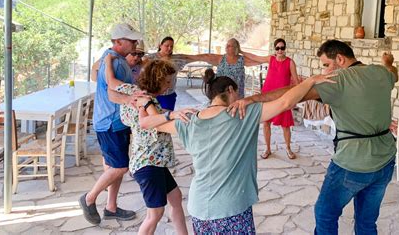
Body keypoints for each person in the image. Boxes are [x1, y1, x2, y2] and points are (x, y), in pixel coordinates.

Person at [229, 39, 398, 235]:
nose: (324, 72)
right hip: (385, 160)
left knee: (325, 213)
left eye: (326, 65)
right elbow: (393, 73)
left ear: (340, 59)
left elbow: (290, 94)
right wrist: (388, 62)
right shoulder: (380, 73)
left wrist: (254, 98)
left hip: (353, 163)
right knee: (367, 221)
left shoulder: (339, 80)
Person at [136, 68, 335, 234]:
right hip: (232, 208)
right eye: (238, 93)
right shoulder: (242, 115)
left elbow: (150, 124)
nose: (239, 98)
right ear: (230, 90)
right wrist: (311, 80)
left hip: (199, 209)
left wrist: (148, 105)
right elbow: (286, 102)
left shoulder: (190, 120)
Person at [103, 54, 194, 235]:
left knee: (175, 197)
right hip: (147, 163)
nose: (168, 86)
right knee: (155, 213)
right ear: (157, 80)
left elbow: (111, 84)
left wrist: (107, 62)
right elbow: (147, 122)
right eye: (167, 81)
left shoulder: (134, 92)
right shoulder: (145, 101)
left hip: (155, 161)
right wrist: (172, 115)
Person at [79, 23, 142, 225]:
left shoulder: (114, 59)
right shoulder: (113, 60)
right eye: (130, 40)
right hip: (110, 122)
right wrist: (131, 97)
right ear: (117, 41)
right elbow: (111, 89)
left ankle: (111, 207)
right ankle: (89, 198)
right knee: (120, 167)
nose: (135, 43)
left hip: (117, 122)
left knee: (116, 165)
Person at [243, 38, 299, 159]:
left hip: (283, 96)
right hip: (267, 95)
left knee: (285, 125)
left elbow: (296, 81)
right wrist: (242, 51)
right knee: (266, 123)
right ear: (275, 49)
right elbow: (255, 57)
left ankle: (288, 148)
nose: (280, 50)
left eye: (282, 48)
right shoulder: (271, 59)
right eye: (277, 48)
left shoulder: (290, 62)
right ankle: (267, 148)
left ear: (285, 49)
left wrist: (295, 98)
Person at [184, 38, 264, 98]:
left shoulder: (241, 60)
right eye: (227, 45)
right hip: (220, 94)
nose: (226, 46)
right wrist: (185, 58)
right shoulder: (220, 59)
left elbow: (258, 59)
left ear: (236, 48)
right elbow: (205, 56)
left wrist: (241, 51)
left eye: (230, 45)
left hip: (236, 96)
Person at [143, 37, 189, 111]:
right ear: (160, 46)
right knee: (153, 117)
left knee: (167, 116)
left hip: (169, 95)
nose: (169, 48)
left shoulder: (176, 59)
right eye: (167, 46)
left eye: (171, 46)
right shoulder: (150, 58)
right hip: (153, 94)